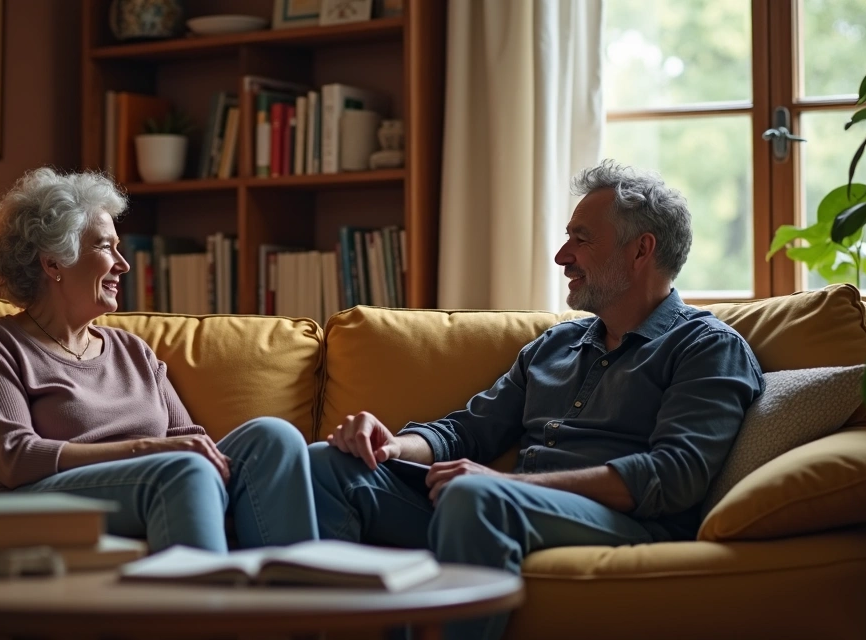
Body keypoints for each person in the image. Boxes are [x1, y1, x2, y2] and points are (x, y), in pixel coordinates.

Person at [308, 160, 764, 639]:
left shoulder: (706, 346)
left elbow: (673, 475)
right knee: (330, 464)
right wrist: (391, 447)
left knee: (473, 494)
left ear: (641, 249)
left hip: (626, 524)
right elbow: (467, 430)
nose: (562, 256)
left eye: (581, 238)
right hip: (498, 505)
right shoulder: (554, 346)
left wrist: (514, 486)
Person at [0, 167, 318, 553]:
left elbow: (186, 440)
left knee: (275, 437)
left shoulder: (131, 350)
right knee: (183, 469)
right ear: (53, 262)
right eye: (105, 247)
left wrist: (179, 455)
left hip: (156, 478)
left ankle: (294, 598)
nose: (123, 264)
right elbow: (15, 458)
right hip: (36, 498)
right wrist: (146, 450)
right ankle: (205, 608)